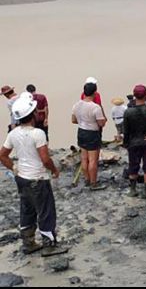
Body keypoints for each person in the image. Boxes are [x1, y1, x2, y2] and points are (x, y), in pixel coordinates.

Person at [0, 93, 66, 256]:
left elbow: (2, 155)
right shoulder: (38, 133)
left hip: (22, 178)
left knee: (27, 210)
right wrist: (54, 169)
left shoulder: (13, 133)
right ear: (33, 114)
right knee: (46, 211)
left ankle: (28, 243)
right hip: (38, 178)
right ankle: (49, 245)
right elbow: (45, 158)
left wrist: (14, 168)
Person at [72, 82, 107, 191]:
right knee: (93, 160)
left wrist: (83, 122)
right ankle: (93, 183)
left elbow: (73, 120)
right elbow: (101, 123)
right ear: (95, 93)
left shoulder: (76, 105)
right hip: (92, 133)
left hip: (81, 132)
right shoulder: (95, 107)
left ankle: (87, 179)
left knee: (84, 158)